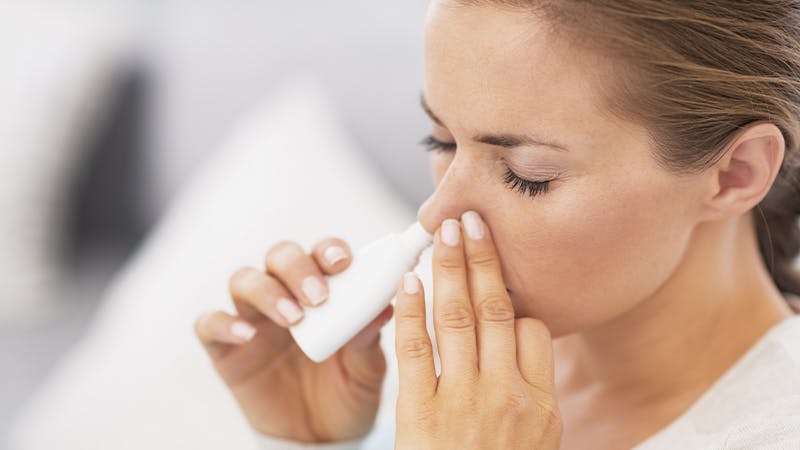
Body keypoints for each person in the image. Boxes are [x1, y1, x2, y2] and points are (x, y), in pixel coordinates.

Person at [194, 1, 800, 448]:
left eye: (526, 173)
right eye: (440, 140)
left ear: (736, 174)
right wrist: (313, 441)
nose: (435, 215)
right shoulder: (454, 390)